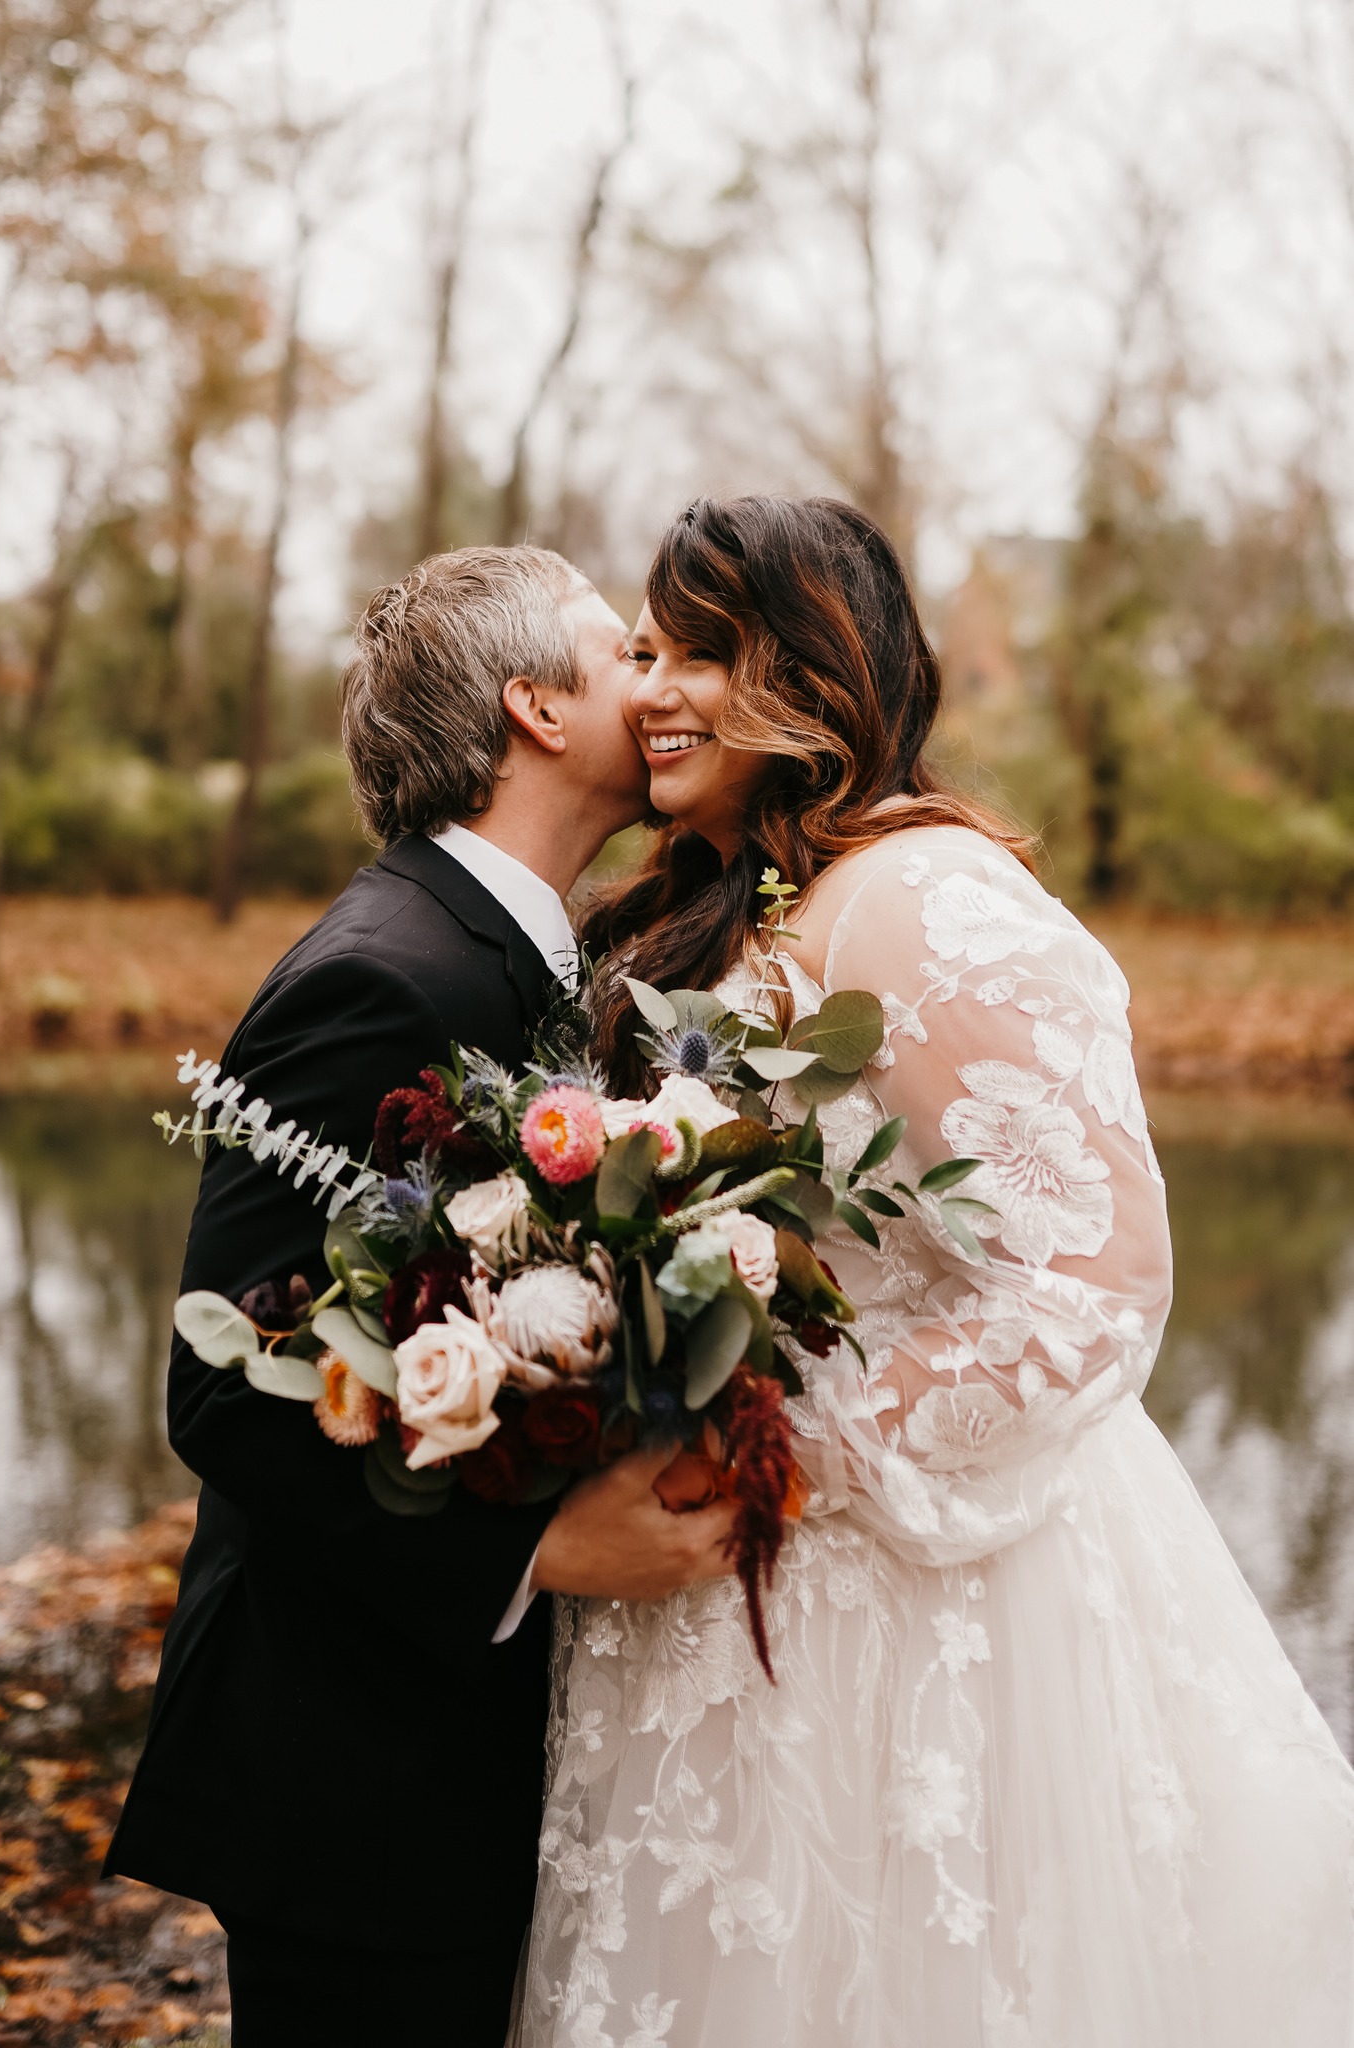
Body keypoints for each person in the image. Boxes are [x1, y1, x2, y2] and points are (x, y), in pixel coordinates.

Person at [514, 498, 1354, 2047]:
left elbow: (1095, 1282)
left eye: (703, 648)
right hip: (716, 1597)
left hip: (906, 1598)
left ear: (812, 672)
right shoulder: (737, 905)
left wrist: (784, 1455)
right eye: (645, 646)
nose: (652, 687)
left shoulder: (924, 897)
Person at [105, 546, 737, 2048]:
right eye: (617, 654)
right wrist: (534, 1548)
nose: (650, 687)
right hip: (348, 1781)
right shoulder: (386, 974)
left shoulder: (526, 958)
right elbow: (226, 1383)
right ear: (534, 706)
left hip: (434, 1753)